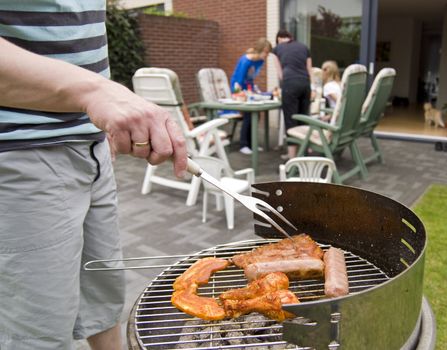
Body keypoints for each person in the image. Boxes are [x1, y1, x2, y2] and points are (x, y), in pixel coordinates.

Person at [0, 2, 187, 349]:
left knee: (104, 301)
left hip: (92, 145)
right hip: (20, 154)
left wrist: (99, 113)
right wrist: (93, 91)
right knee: (37, 332)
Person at [272, 29, 313, 160]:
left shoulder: (276, 49)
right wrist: (310, 88)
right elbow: (309, 70)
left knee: (290, 120)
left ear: (279, 39)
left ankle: (292, 157)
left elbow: (280, 74)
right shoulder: (304, 47)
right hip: (305, 84)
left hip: (290, 84)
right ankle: (304, 151)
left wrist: (285, 87)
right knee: (303, 117)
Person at [230, 38, 272, 155]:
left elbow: (250, 79)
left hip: (248, 90)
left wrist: (253, 90)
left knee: (255, 116)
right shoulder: (245, 61)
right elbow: (238, 80)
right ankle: (243, 144)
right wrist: (240, 93)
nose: (267, 55)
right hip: (238, 90)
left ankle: (251, 144)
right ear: (260, 50)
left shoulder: (259, 61)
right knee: (248, 116)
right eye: (266, 52)